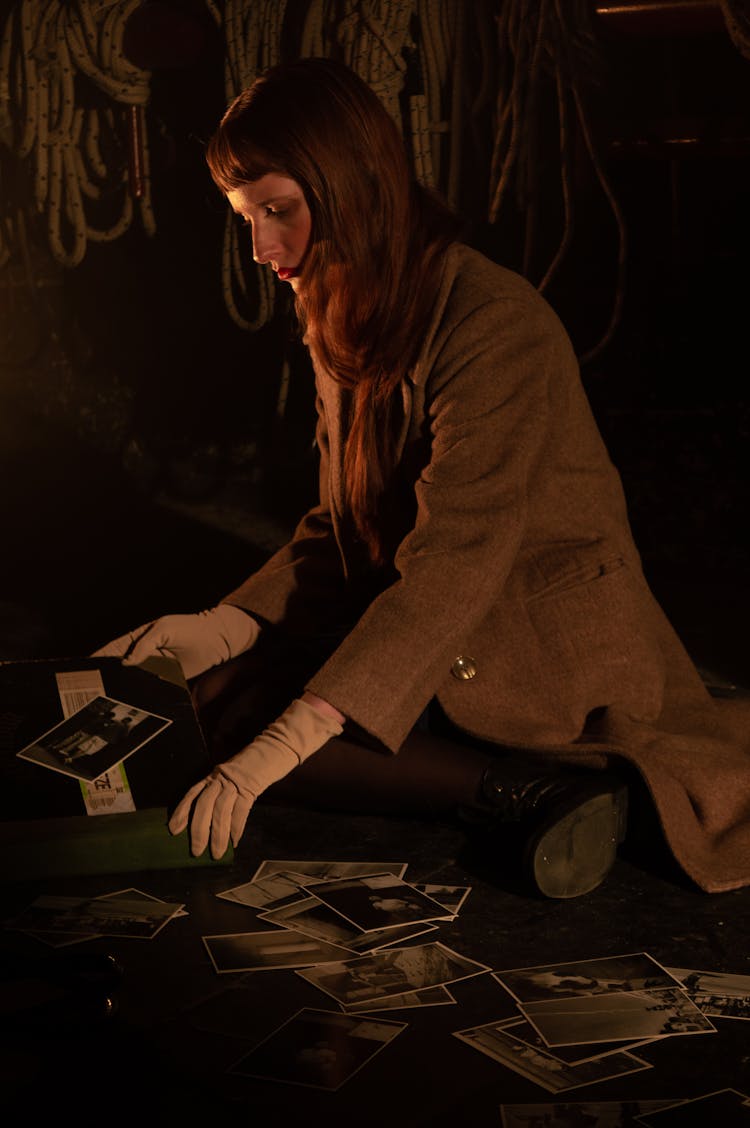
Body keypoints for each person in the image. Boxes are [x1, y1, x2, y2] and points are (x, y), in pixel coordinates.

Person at [94, 57, 750, 900]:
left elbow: (458, 561)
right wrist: (222, 626)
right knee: (211, 695)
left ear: (349, 186)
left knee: (262, 725)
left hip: (531, 639)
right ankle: (496, 780)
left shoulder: (495, 322)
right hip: (431, 610)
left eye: (278, 212)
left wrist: (283, 744)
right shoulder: (339, 301)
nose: (261, 248)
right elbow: (343, 525)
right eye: (247, 219)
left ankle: (533, 790)